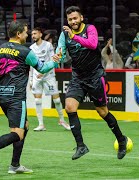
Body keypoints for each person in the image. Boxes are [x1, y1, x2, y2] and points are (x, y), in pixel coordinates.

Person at [0, 21, 60, 174]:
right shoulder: (26, 52)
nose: (27, 35)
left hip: (3, 95)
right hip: (16, 97)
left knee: (24, 126)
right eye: (26, 32)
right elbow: (42, 68)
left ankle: (15, 165)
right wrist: (54, 61)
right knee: (17, 133)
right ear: (19, 34)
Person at [52, 6, 130, 160]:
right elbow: (60, 54)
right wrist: (57, 57)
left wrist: (74, 36)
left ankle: (121, 140)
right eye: (70, 19)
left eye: (75, 18)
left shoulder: (90, 29)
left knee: (102, 112)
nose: (73, 21)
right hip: (78, 78)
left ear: (81, 18)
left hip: (95, 77)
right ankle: (81, 146)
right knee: (69, 106)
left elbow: (93, 44)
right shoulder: (64, 35)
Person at [29, 27, 70, 131]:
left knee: (56, 100)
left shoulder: (48, 45)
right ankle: (41, 124)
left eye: (35, 33)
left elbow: (54, 60)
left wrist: (43, 73)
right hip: (36, 77)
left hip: (48, 76)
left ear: (40, 34)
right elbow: (30, 65)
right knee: (37, 100)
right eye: (32, 34)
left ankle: (62, 120)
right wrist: (30, 80)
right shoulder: (31, 48)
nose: (33, 35)